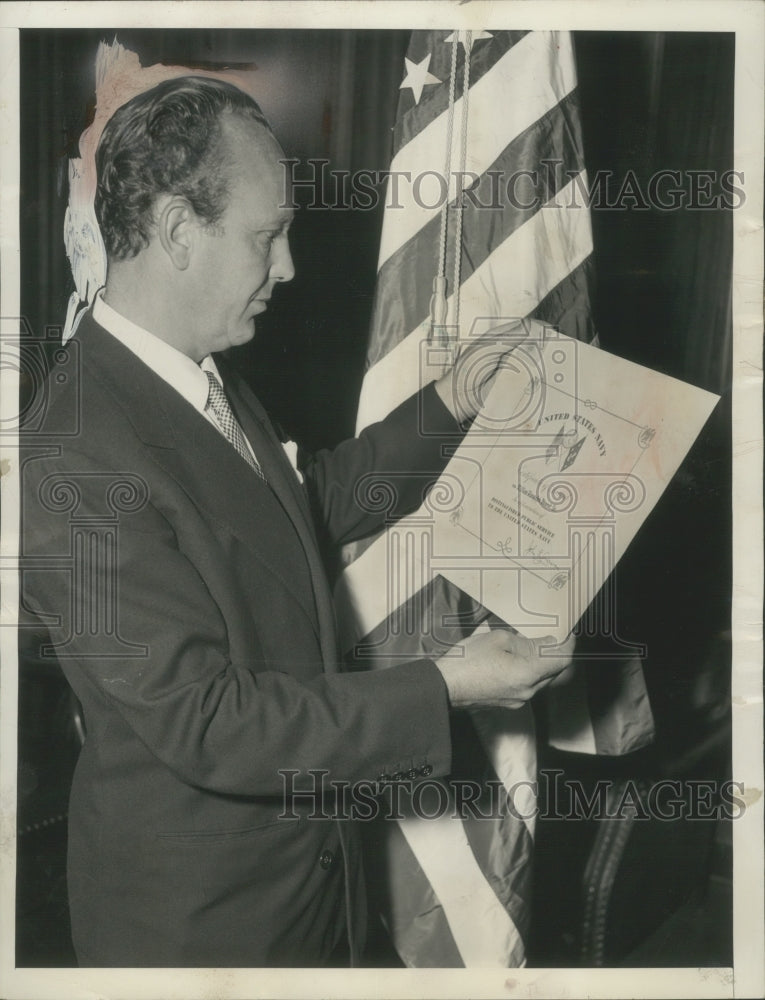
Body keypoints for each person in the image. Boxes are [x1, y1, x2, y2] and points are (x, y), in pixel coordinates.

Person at [20, 75, 573, 967]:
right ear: (175, 232)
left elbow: (287, 520)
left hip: (309, 886)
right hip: (202, 930)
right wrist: (445, 686)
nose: (288, 268)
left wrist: (449, 402)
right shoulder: (74, 453)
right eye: (266, 237)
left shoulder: (194, 371)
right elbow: (207, 722)